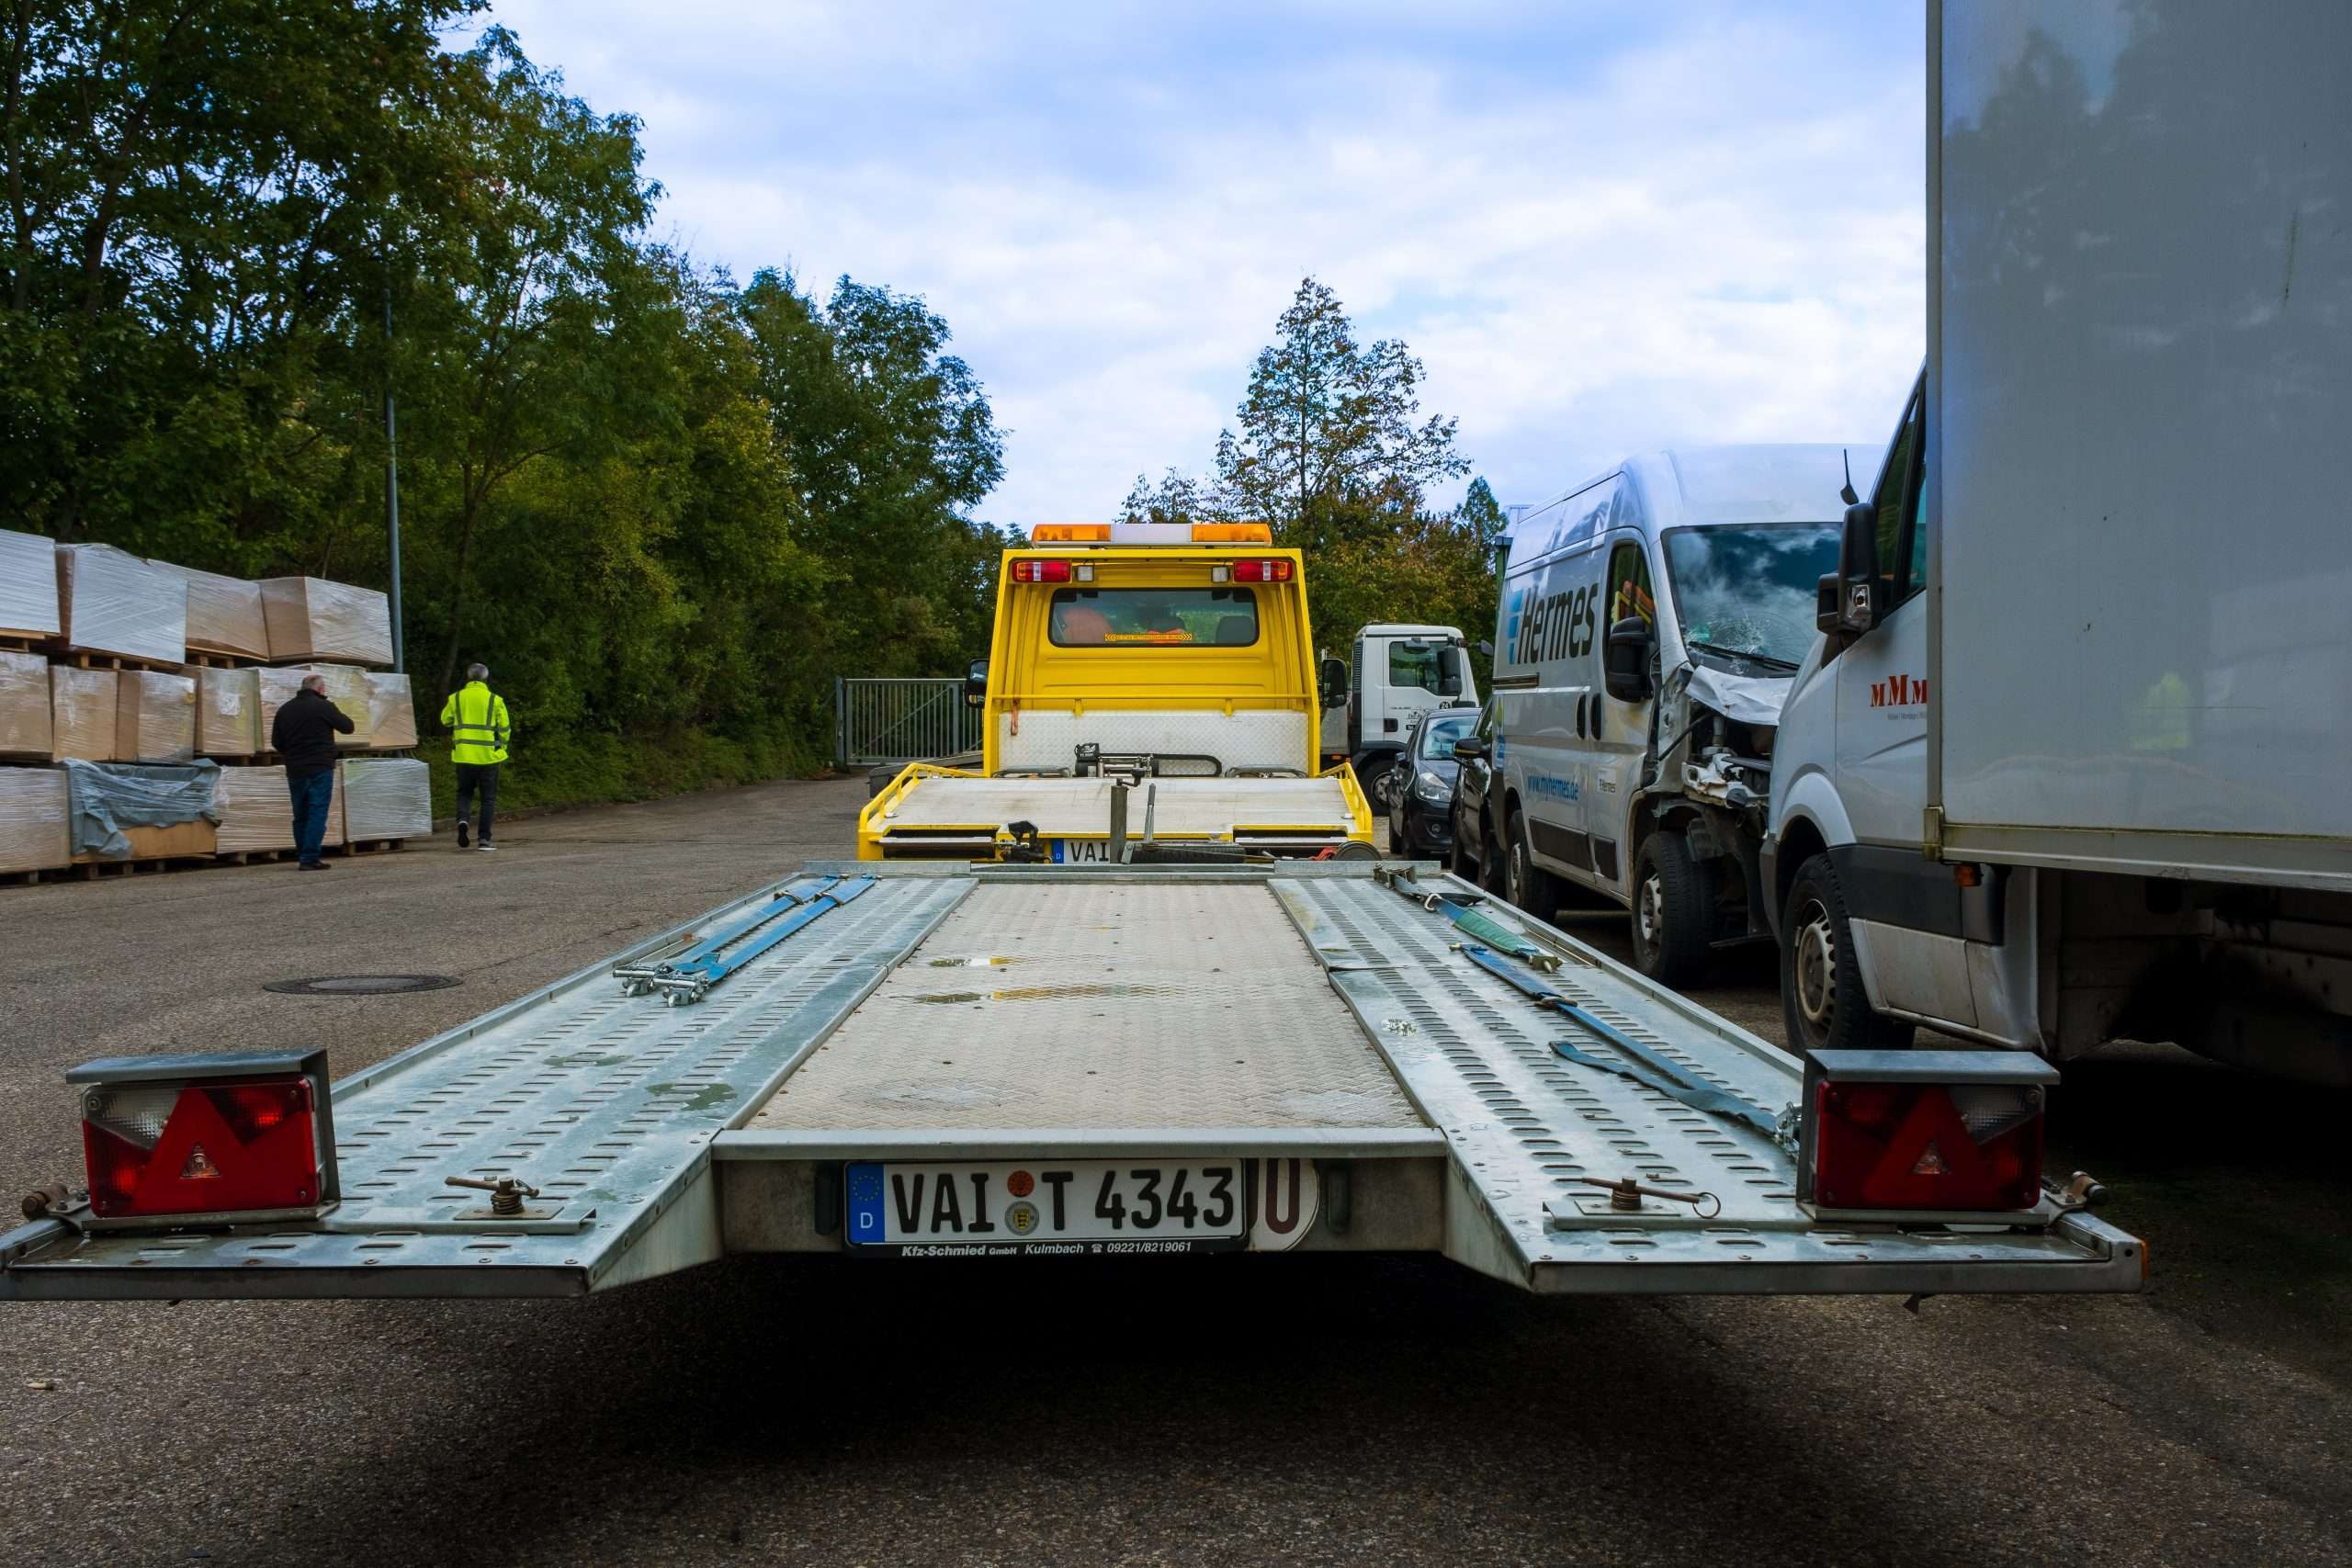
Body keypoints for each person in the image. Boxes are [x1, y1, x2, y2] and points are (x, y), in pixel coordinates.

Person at [270, 673, 355, 871]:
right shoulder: (324, 707)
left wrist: (292, 754)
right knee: (317, 812)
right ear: (320, 689)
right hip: (320, 767)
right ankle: (309, 858)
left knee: (300, 814)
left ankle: (303, 854)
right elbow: (348, 727)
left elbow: (277, 742)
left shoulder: (285, 709)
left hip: (295, 769)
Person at [440, 662, 511, 852]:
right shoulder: (495, 700)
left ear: (469, 677)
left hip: (463, 756)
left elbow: (445, 720)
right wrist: (502, 745)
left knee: (464, 793)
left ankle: (463, 821)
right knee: (488, 799)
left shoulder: (456, 698)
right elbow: (504, 728)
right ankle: (484, 840)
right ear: (485, 677)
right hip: (488, 757)